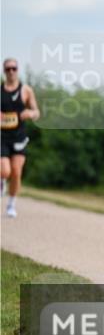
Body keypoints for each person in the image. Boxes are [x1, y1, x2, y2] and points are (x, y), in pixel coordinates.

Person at [1, 58, 40, 217]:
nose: (11, 71)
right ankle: (2, 181)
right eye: (8, 69)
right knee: (5, 171)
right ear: (4, 71)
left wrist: (30, 113)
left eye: (14, 68)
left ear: (17, 70)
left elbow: (37, 112)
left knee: (16, 172)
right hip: (1, 136)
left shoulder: (26, 91)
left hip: (18, 137)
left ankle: (11, 204)